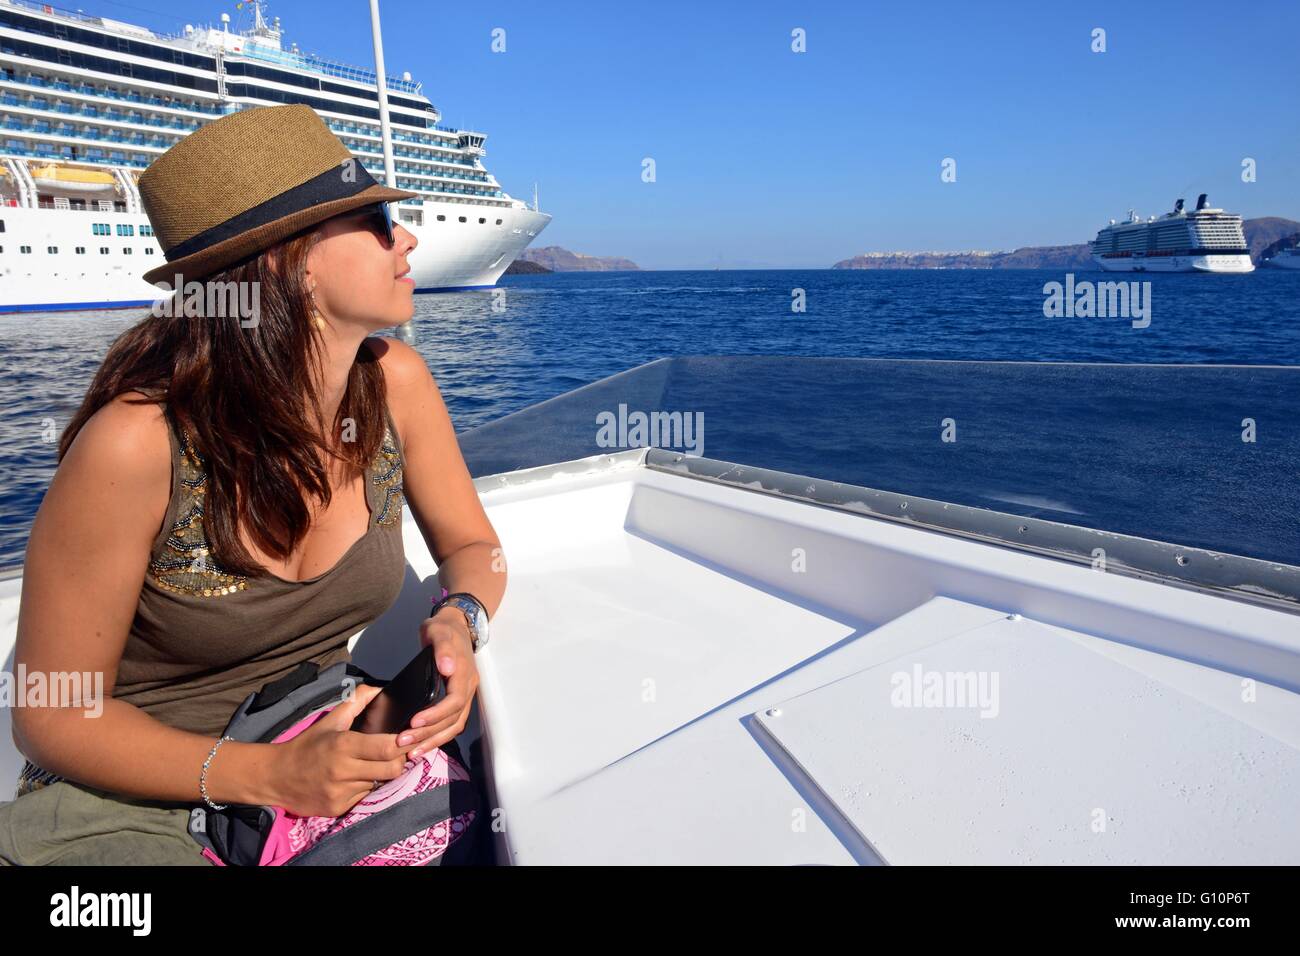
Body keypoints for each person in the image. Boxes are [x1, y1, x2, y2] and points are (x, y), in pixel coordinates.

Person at [0, 104, 505, 865]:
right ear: (288, 260)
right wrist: (268, 778)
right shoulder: (136, 445)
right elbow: (51, 717)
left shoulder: (395, 384)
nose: (407, 238)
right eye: (374, 221)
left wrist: (459, 622)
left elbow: (473, 546)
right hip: (132, 797)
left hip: (309, 743)